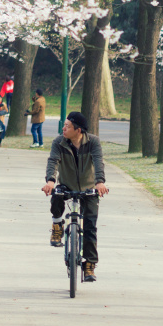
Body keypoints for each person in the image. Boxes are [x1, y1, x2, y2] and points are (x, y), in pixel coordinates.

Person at [41, 111, 109, 282]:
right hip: (66, 184)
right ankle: (57, 225)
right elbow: (53, 161)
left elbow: (98, 161)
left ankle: (89, 265)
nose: (63, 128)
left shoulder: (92, 142)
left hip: (89, 188)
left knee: (90, 227)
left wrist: (100, 182)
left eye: (67, 126)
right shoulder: (59, 142)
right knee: (56, 194)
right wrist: (50, 181)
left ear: (78, 130)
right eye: (64, 125)